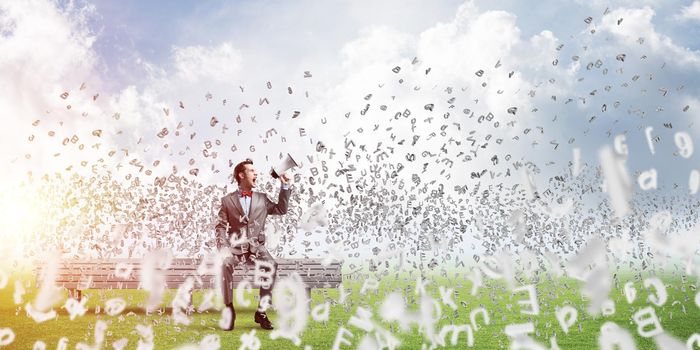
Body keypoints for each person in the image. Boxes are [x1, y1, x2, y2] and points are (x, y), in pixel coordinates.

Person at [215, 158, 291, 331]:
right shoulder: (227, 201)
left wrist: (284, 186)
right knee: (225, 264)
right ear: (241, 175)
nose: (256, 173)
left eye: (255, 171)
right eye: (252, 171)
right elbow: (220, 226)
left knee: (271, 264)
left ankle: (261, 312)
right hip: (235, 249)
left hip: (257, 248)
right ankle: (229, 309)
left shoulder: (262, 199)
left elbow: (281, 209)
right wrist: (223, 248)